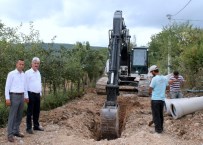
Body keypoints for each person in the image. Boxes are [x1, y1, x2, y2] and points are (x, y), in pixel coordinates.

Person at [5, 59, 29, 142]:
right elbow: (7, 87)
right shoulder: (11, 74)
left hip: (22, 96)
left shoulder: (24, 74)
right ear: (16, 64)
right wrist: (7, 98)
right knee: (12, 115)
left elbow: (25, 86)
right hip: (14, 96)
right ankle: (10, 134)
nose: (21, 66)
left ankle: (16, 131)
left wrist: (26, 96)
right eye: (20, 64)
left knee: (19, 115)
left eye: (23, 64)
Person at [25, 57, 44, 134]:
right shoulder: (27, 73)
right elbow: (25, 85)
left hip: (37, 94)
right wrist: (26, 96)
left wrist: (40, 93)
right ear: (31, 64)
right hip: (30, 94)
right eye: (35, 63)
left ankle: (36, 126)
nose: (36, 65)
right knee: (30, 111)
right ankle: (28, 128)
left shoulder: (38, 72)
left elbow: (39, 83)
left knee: (37, 111)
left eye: (37, 63)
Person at [149, 65, 169, 133]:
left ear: (154, 71)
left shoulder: (154, 79)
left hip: (155, 99)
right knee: (160, 115)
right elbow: (167, 88)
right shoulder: (165, 78)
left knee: (156, 115)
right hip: (162, 100)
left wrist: (150, 92)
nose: (152, 73)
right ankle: (161, 128)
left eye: (152, 72)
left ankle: (158, 130)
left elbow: (150, 89)